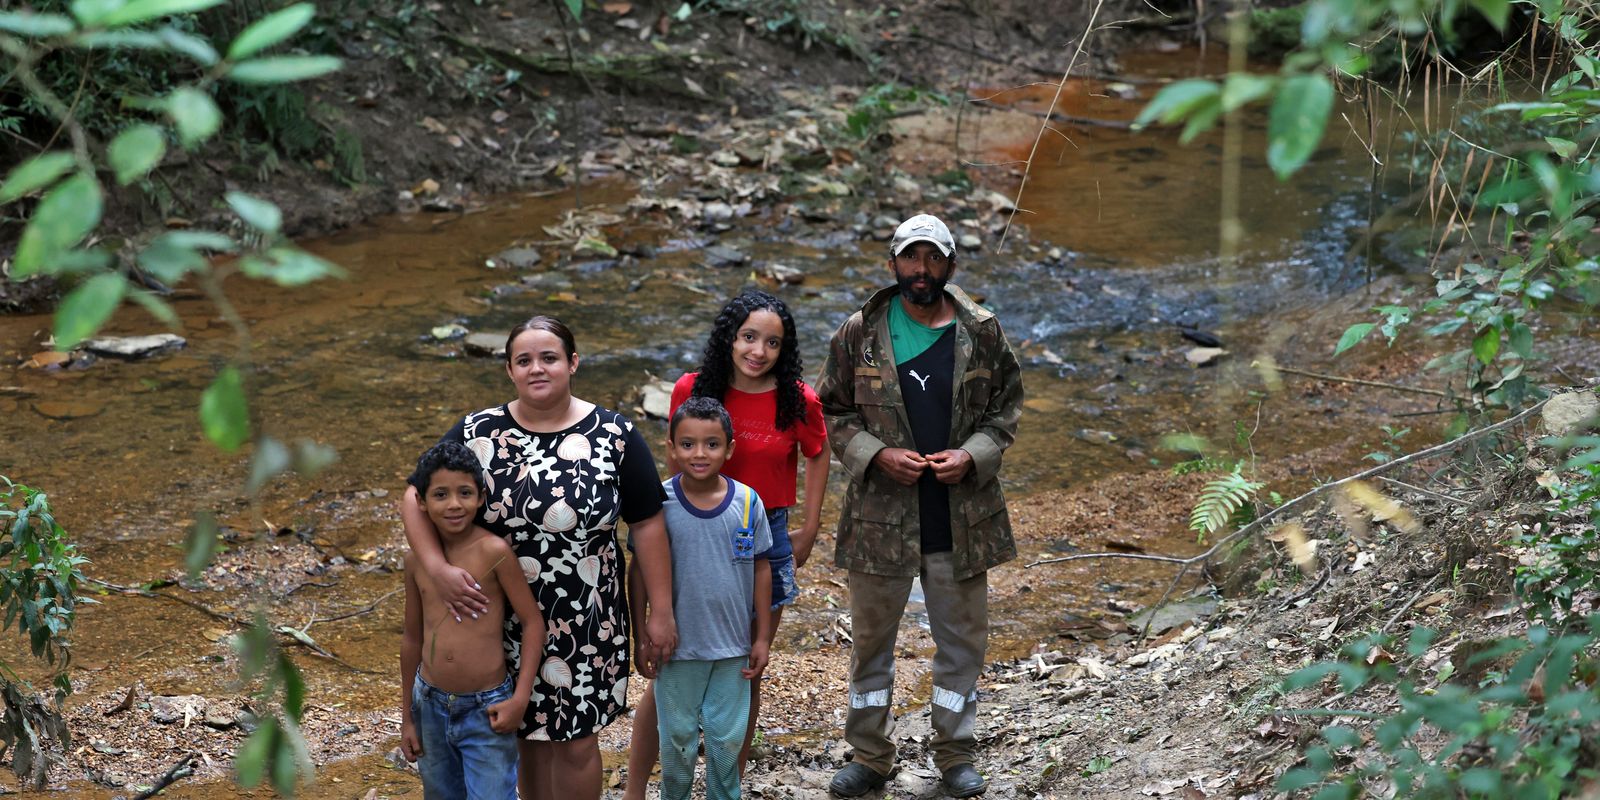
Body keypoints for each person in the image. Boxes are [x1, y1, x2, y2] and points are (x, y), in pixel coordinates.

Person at [400, 316, 677, 800]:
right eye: (524, 360)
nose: (537, 369)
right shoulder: (476, 431)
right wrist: (437, 568)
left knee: (574, 743)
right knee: (523, 737)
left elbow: (649, 525)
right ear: (509, 370)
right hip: (497, 619)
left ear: (572, 363)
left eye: (549, 357)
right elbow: (414, 495)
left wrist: (661, 613)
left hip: (588, 621)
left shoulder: (615, 434)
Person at [814, 213, 1023, 799]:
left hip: (961, 515)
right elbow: (831, 411)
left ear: (950, 265)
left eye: (933, 259)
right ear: (894, 264)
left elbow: (1005, 412)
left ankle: (955, 755)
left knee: (961, 641)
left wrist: (973, 454)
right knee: (871, 640)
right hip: (880, 516)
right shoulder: (860, 331)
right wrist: (876, 454)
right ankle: (871, 756)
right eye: (911, 258)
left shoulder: (982, 331)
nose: (921, 270)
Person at [624, 291, 829, 796]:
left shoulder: (796, 398)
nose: (759, 351)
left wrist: (810, 526)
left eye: (773, 342)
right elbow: (675, 462)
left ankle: (727, 783)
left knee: (745, 665)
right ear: (729, 338)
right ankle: (634, 788)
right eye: (749, 337)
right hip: (689, 526)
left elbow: (818, 452)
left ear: (785, 349)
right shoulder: (696, 388)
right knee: (668, 662)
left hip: (764, 530)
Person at [629, 396, 773, 800]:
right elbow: (638, 571)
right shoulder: (657, 503)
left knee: (727, 741)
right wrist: (640, 634)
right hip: (677, 650)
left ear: (729, 449)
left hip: (733, 649)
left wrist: (761, 638)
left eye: (711, 444)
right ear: (671, 447)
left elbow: (762, 569)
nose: (699, 453)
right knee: (676, 741)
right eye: (687, 443)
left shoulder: (747, 503)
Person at [400, 441, 546, 800]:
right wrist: (407, 717)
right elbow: (411, 639)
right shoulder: (416, 562)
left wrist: (520, 699)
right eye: (440, 494)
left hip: (487, 707)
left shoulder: (493, 553)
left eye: (465, 493)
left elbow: (533, 623)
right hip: (430, 705)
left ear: (481, 497)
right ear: (420, 501)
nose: (453, 504)